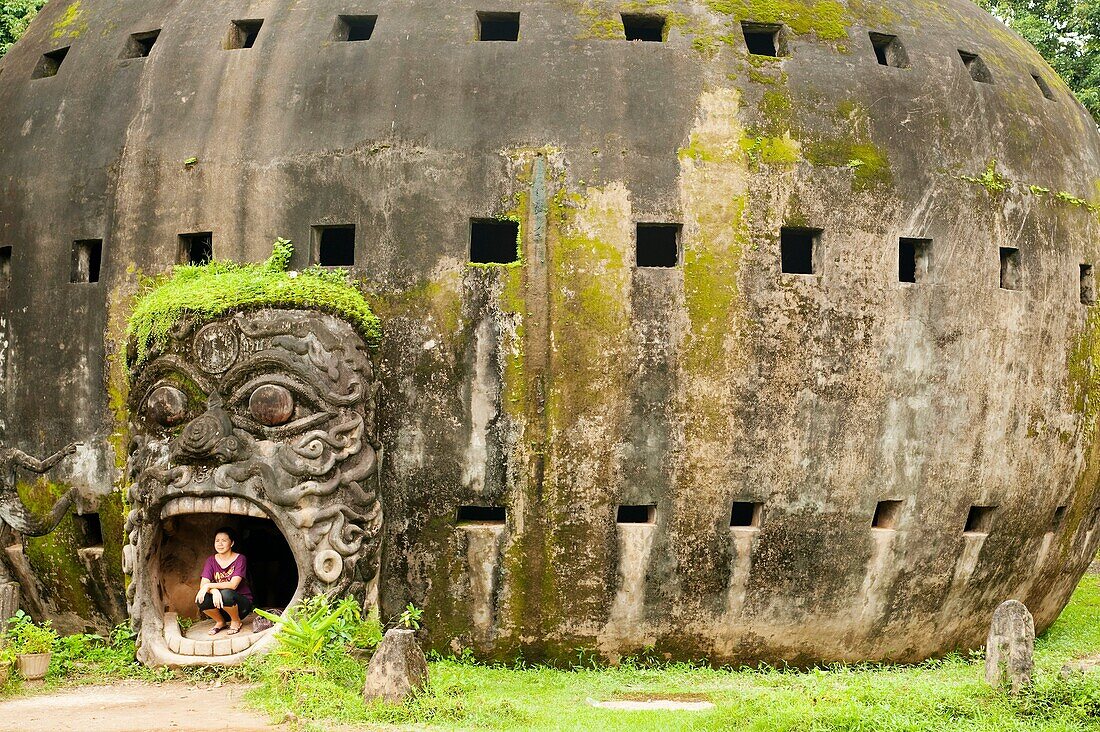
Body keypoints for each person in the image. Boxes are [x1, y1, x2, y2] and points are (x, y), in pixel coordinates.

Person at [195, 526, 253, 635]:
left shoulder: (240, 559)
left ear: (231, 543)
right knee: (201, 598)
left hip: (240, 606)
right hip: (220, 606)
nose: (220, 544)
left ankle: (236, 621)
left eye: (224, 540)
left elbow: (233, 585)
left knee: (226, 594)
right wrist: (214, 590)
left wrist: (209, 586)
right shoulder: (211, 560)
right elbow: (204, 584)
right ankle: (220, 621)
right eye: (217, 541)